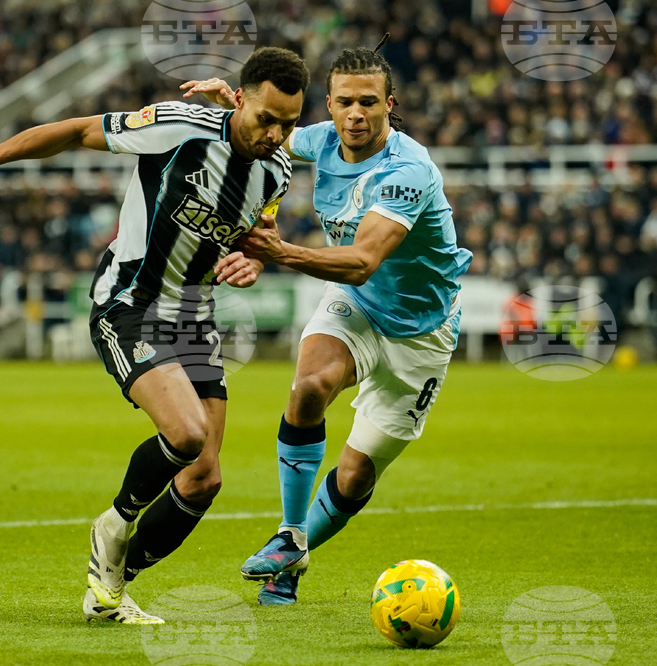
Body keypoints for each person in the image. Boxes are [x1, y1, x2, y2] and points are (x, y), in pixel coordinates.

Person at [0, 47, 309, 624]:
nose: (275, 133)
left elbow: (260, 231)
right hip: (129, 303)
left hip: (195, 317)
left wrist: (255, 261)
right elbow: (75, 132)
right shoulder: (179, 127)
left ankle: (111, 585)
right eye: (266, 118)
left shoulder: (278, 169)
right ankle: (113, 525)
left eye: (288, 123)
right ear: (241, 98)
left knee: (204, 477)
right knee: (186, 432)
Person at [182, 37, 472, 606]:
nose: (355, 114)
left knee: (357, 475)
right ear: (330, 104)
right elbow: (264, 130)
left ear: (392, 103)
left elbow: (363, 262)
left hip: (422, 332)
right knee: (310, 384)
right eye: (344, 102)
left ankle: (290, 560)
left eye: (368, 102)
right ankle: (289, 536)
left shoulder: (409, 170)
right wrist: (236, 107)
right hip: (357, 310)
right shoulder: (319, 139)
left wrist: (280, 253)